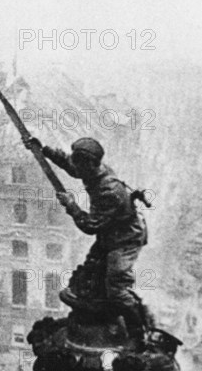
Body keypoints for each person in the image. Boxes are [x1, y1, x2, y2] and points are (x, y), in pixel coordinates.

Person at [24, 136, 148, 328]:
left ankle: (139, 329)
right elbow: (71, 166)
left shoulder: (108, 190)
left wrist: (71, 205)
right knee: (92, 269)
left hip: (125, 239)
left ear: (90, 164)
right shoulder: (92, 170)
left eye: (80, 164)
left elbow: (90, 226)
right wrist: (44, 150)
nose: (77, 168)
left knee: (116, 288)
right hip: (110, 232)